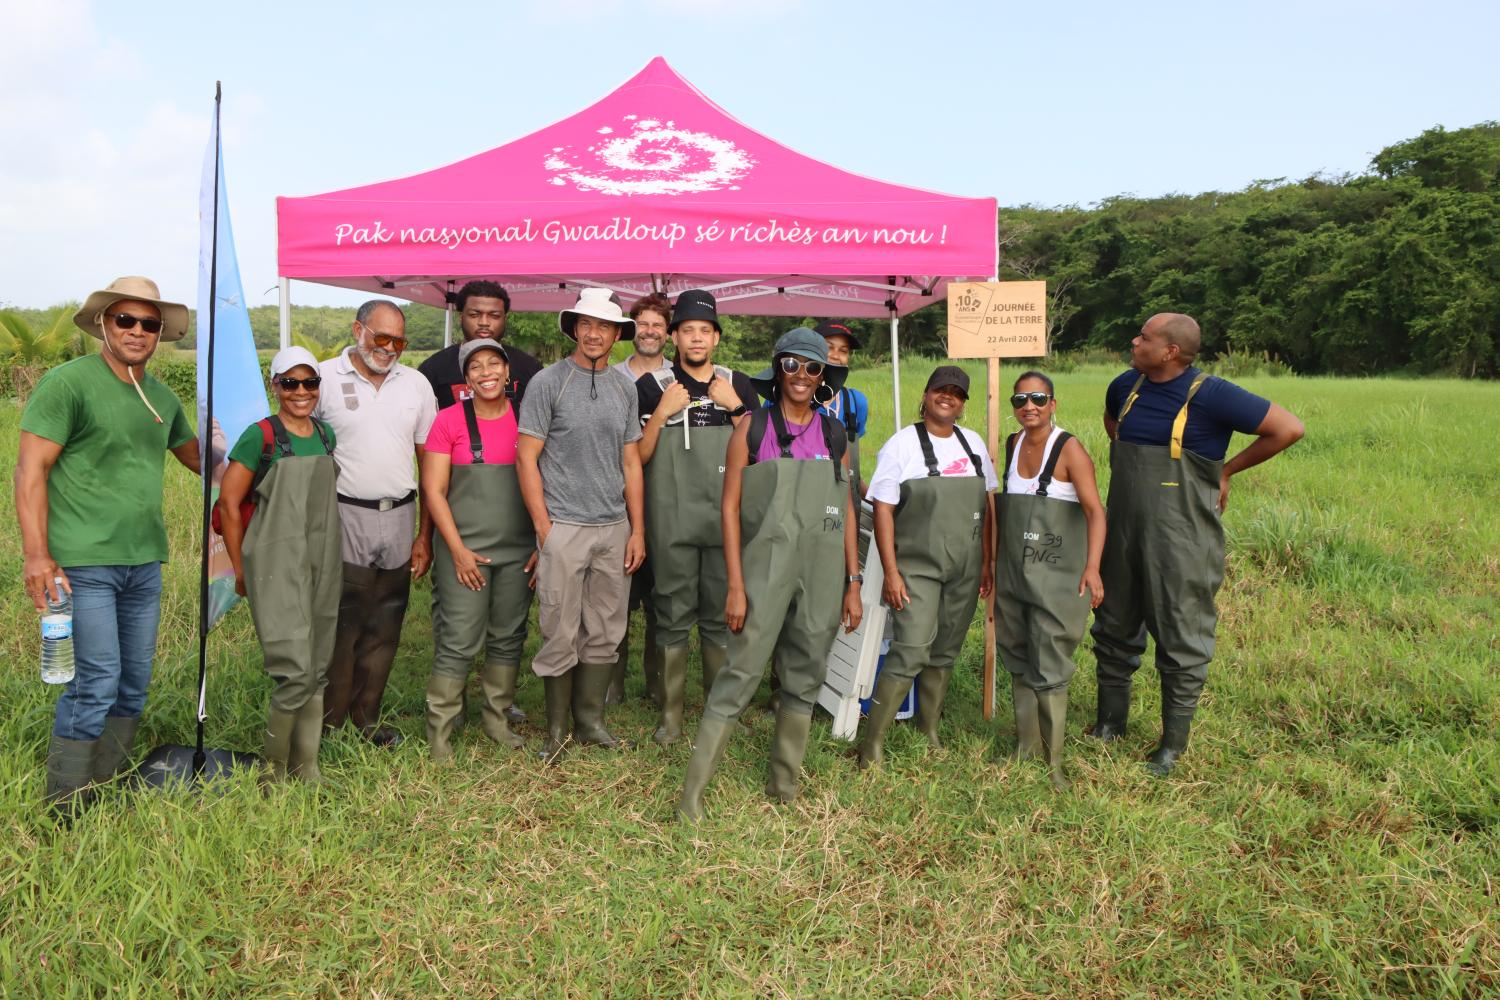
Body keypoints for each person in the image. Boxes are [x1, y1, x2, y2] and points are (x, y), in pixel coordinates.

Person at [15, 276, 204, 813]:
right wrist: (36, 555)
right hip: (82, 563)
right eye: (126, 320)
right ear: (103, 323)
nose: (138, 331)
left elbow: (199, 461)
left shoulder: (162, 398)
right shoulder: (67, 384)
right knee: (95, 682)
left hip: (143, 563)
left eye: (149, 323)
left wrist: (260, 448)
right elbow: (31, 471)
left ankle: (106, 785)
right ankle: (67, 806)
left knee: (133, 684)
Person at [1090, 313, 1303, 775]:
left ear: (1169, 352)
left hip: (1182, 538)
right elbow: (1114, 426)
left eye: (1144, 337)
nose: (1134, 340)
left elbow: (1288, 428)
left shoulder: (1214, 395)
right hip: (1122, 528)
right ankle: (1110, 723)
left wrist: (1224, 471)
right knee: (1112, 624)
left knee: (1181, 634)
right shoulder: (1125, 386)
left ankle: (1171, 745)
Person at [678, 329, 863, 822]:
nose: (801, 376)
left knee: (805, 677)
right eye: (792, 365)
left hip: (823, 574)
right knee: (740, 675)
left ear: (824, 376)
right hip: (764, 572)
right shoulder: (752, 429)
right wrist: (735, 586)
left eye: (813, 367)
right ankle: (692, 797)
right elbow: (730, 509)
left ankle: (784, 786)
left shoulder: (836, 434)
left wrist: (853, 582)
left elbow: (846, 509)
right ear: (777, 369)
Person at [517, 288, 646, 762]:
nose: (594, 334)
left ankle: (590, 721)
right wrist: (544, 529)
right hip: (564, 525)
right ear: (574, 328)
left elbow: (631, 462)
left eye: (604, 326)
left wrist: (638, 529)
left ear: (616, 334)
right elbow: (526, 458)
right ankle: (556, 730)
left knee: (606, 627)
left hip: (613, 526)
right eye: (586, 325)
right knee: (558, 625)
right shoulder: (549, 382)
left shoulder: (624, 386)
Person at [857, 365, 997, 770]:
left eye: (956, 392)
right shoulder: (901, 445)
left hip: (966, 567)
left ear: (963, 403)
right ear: (926, 393)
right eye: (941, 389)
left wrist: (987, 561)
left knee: (946, 649)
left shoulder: (972, 444)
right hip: (917, 566)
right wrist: (892, 571)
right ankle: (873, 743)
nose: (947, 397)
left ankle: (928, 726)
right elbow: (882, 509)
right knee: (912, 649)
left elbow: (988, 506)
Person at [635, 290, 757, 744]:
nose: (696, 338)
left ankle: (718, 711)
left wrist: (738, 408)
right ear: (674, 337)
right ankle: (670, 716)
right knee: (669, 613)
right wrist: (660, 414)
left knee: (719, 615)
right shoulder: (651, 387)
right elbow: (638, 458)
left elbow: (761, 451)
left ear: (717, 338)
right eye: (687, 330)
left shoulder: (737, 383)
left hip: (725, 521)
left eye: (704, 331)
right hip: (671, 519)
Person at [313, 300, 437, 747]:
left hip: (400, 513)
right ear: (358, 330)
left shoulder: (417, 384)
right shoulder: (324, 378)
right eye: (380, 337)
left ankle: (367, 719)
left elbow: (429, 462)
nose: (388, 349)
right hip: (346, 512)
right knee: (344, 621)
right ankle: (329, 721)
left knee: (386, 621)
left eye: (398, 341)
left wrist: (425, 534)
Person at [216, 346, 341, 784]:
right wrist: (241, 568)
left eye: (310, 383)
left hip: (323, 558)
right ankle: (272, 774)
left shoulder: (326, 435)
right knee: (294, 669)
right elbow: (229, 504)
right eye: (291, 383)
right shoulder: (261, 436)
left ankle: (308, 767)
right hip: (274, 560)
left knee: (318, 664)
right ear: (276, 386)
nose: (301, 392)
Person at [420, 338, 535, 760]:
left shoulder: (528, 419)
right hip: (465, 551)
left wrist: (541, 542)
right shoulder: (448, 421)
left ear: (508, 373)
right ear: (465, 378)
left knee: (509, 636)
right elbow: (433, 491)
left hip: (519, 550)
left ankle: (496, 719)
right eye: (476, 367)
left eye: (494, 364)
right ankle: (440, 732)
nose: (486, 373)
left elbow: (548, 485)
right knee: (459, 640)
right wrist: (457, 550)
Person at [993, 371, 1106, 790]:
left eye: (1038, 398)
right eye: (1020, 400)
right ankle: (1027, 747)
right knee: (1018, 653)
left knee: (1050, 660)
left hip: (1057, 575)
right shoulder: (1012, 444)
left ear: (1053, 403)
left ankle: (1053, 763)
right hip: (1016, 571)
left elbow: (1096, 512)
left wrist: (1093, 568)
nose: (1029, 407)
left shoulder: (1070, 449)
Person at [607, 292, 674, 706]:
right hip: (615, 496)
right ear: (633, 328)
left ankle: (657, 685)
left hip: (667, 498)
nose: (649, 331)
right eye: (643, 323)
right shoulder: (613, 377)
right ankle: (610, 686)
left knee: (660, 598)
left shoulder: (679, 377)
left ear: (668, 333)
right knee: (616, 597)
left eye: (658, 325)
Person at [417, 280, 544, 410]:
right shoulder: (432, 369)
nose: (484, 323)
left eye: (494, 316)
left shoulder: (530, 368)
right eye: (474, 315)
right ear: (461, 318)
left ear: (504, 320)